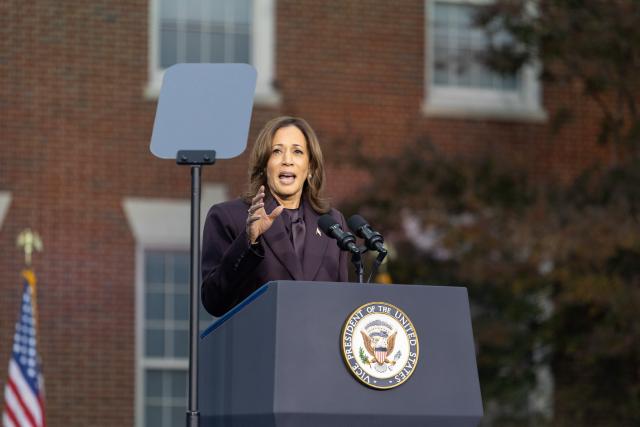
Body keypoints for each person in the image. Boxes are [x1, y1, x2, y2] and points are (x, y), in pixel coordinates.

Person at [201, 116, 350, 316]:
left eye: (297, 152)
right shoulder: (229, 217)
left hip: (318, 344)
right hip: (260, 344)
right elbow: (214, 301)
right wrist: (249, 241)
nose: (287, 160)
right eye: (277, 151)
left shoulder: (332, 222)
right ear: (264, 164)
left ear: (311, 168)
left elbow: (343, 302)